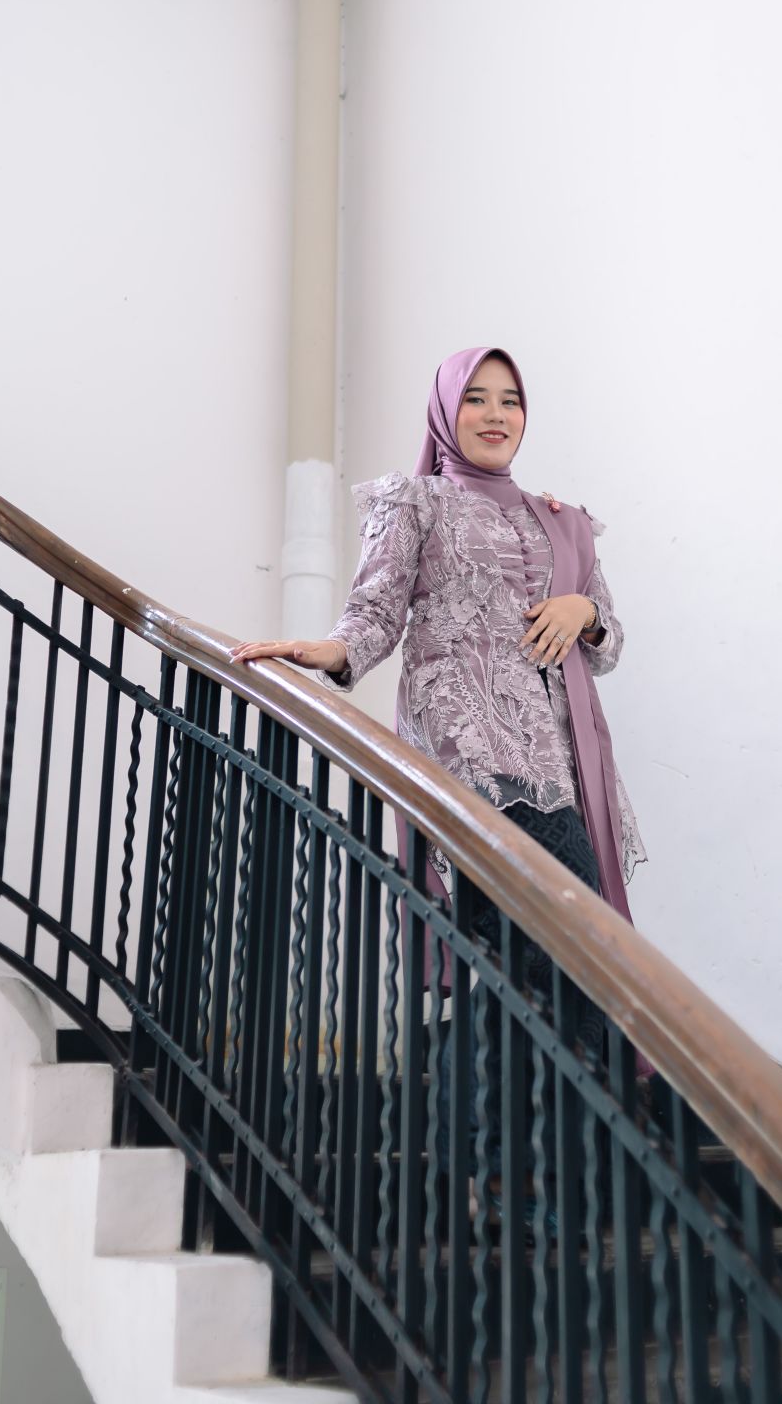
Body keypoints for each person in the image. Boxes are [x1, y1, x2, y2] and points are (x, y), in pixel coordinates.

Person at [231, 347, 646, 1209]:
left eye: (510, 400)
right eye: (476, 399)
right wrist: (327, 651)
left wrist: (583, 609)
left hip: (556, 758)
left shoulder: (562, 521)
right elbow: (375, 611)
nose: (495, 415)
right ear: (445, 412)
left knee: (538, 965)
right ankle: (501, 1171)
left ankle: (517, 1173)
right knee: (547, 946)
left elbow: (607, 643)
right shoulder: (415, 501)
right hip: (467, 750)